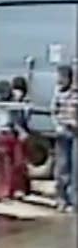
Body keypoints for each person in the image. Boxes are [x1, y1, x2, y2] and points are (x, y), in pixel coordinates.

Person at [51, 64, 78, 212]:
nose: (61, 80)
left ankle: (73, 201)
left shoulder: (75, 93)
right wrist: (57, 126)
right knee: (62, 167)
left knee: (75, 168)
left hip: (75, 133)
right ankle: (60, 198)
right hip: (62, 133)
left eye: (63, 77)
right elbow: (53, 111)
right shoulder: (57, 92)